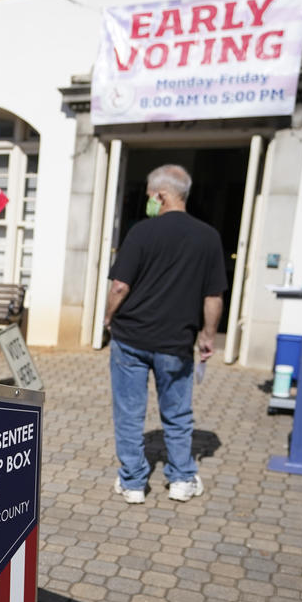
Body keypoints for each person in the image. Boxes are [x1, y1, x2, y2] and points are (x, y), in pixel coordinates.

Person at [103, 164, 227, 504]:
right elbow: (213, 296)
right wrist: (208, 335)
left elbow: (119, 285)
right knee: (177, 413)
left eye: (149, 196)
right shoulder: (208, 237)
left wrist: (108, 318)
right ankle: (182, 480)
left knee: (129, 413)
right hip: (176, 342)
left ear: (161, 195)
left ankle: (132, 484)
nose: (148, 202)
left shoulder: (141, 233)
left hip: (131, 338)